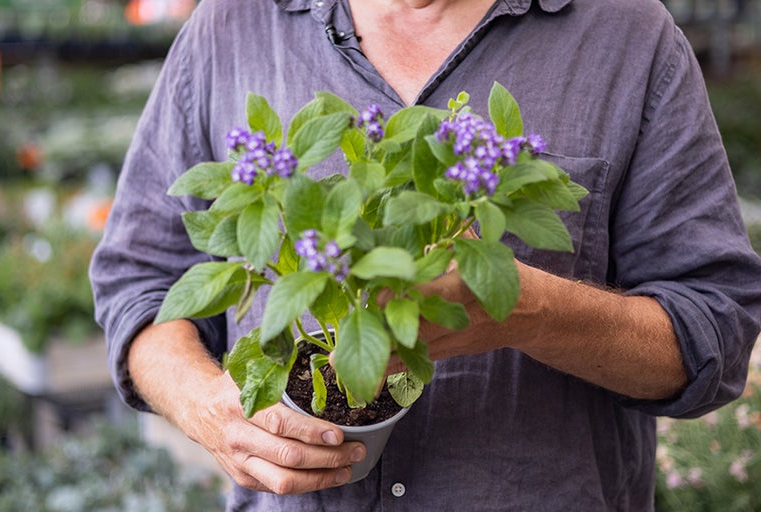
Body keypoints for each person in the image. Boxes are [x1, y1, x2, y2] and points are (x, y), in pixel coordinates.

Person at [89, 0, 761, 510]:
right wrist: (209, 406)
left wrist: (521, 308)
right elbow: (140, 284)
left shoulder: (628, 36)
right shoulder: (230, 26)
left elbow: (714, 331)